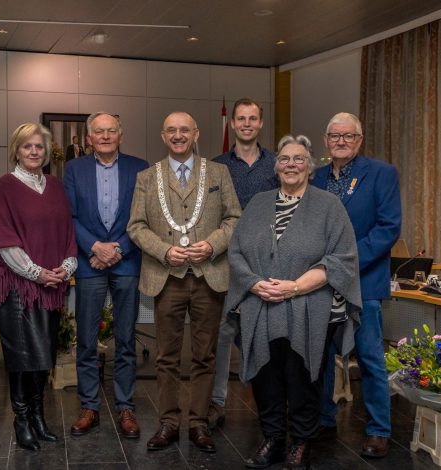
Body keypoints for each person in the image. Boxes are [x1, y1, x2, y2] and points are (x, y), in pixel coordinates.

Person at [226, 134, 361, 470]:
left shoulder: (329, 206)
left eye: (299, 158)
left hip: (310, 308)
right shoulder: (258, 204)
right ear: (276, 167)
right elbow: (236, 251)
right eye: (284, 159)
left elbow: (342, 259)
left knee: (302, 377)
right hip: (260, 306)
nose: (291, 165)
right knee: (266, 377)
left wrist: (296, 287)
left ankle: (300, 443)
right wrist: (255, 283)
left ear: (310, 166)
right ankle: (273, 439)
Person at [127, 111, 240, 452]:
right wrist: (163, 251)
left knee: (205, 355)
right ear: (163, 136)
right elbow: (136, 226)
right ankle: (169, 423)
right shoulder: (147, 177)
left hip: (209, 276)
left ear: (196, 134)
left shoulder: (218, 173)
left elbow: (234, 218)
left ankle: (199, 422)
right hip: (167, 278)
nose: (178, 135)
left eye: (184, 130)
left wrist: (213, 244)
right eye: (171, 130)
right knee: (167, 356)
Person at [313, 112, 402, 458]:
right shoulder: (316, 177)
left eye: (348, 136)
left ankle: (378, 429)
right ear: (326, 141)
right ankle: (324, 419)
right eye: (335, 136)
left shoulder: (381, 174)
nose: (341, 142)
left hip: (364, 281)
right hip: (321, 284)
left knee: (370, 358)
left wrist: (344, 263)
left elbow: (388, 228)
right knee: (321, 356)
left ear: (359, 140)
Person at [0, 122, 77, 451]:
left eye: (39, 146)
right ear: (17, 150)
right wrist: (37, 273)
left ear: (47, 151)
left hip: (52, 288)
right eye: (27, 146)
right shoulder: (6, 185)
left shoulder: (54, 185)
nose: (34, 151)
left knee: (44, 355)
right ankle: (22, 419)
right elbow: (5, 241)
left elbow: (68, 233)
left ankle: (39, 417)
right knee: (22, 357)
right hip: (19, 288)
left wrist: (67, 267)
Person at [63, 112, 149, 439]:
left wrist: (118, 249)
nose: (105, 136)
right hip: (90, 262)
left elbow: (144, 216)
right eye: (99, 132)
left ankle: (126, 406)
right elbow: (69, 216)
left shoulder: (140, 168)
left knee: (126, 339)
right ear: (89, 138)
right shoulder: (74, 169)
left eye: (111, 130)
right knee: (87, 339)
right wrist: (95, 247)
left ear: (120, 135)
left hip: (127, 261)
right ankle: (89, 406)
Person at [209, 97, 279, 429]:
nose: (247, 124)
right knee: (223, 332)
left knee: (263, 332)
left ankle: (267, 402)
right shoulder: (217, 166)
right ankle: (216, 402)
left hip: (267, 262)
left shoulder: (277, 163)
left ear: (260, 123)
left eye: (253, 118)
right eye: (241, 119)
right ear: (233, 123)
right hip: (225, 261)